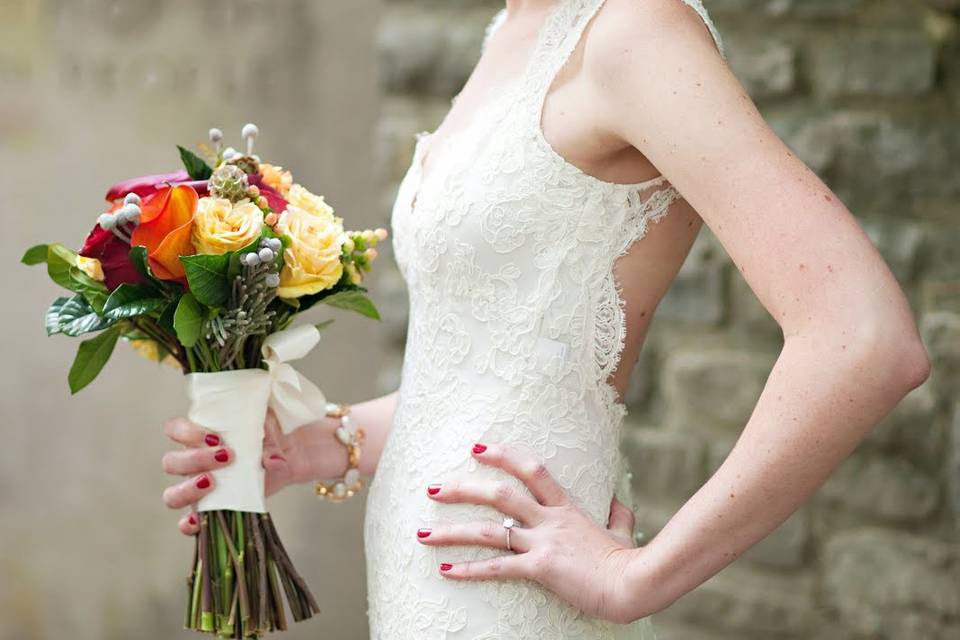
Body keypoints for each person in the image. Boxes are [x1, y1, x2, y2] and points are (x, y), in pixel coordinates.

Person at [159, 0, 931, 637]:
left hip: (510, 594)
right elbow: (492, 373)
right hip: (424, 571)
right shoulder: (514, 28)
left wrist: (637, 576)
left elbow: (863, 336)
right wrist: (322, 443)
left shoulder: (637, 32)